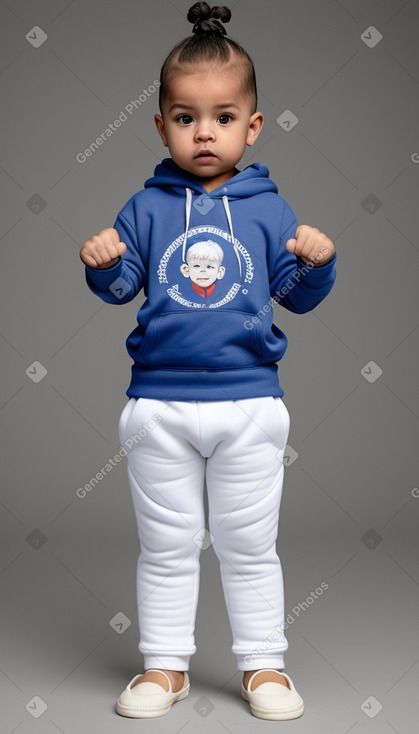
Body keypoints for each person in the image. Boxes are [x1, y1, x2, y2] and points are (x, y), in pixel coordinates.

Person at [79, 1, 337, 721]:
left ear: (251, 127)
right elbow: (121, 285)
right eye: (185, 116)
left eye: (223, 117)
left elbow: (297, 297)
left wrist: (314, 264)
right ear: (161, 124)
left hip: (249, 405)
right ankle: (165, 667)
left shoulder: (268, 210)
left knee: (249, 545)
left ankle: (263, 666)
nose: (203, 132)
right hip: (157, 407)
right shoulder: (145, 206)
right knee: (165, 547)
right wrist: (102, 263)